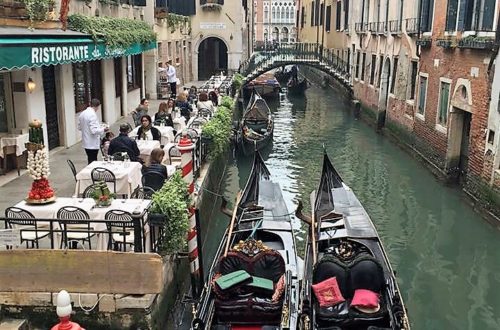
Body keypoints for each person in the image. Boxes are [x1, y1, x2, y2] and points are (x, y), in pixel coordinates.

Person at [78, 98, 108, 164]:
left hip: (86, 142)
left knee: (90, 159)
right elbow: (94, 131)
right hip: (92, 143)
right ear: (98, 106)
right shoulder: (92, 115)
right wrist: (103, 129)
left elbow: (80, 127)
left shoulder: (82, 113)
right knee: (93, 160)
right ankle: (92, 173)